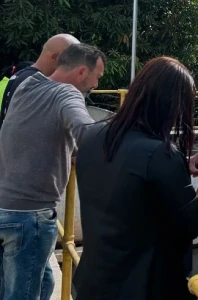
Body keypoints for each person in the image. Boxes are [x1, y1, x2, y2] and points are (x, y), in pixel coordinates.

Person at [72, 56, 198, 300]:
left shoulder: (93, 135)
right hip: (141, 289)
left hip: (93, 282)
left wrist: (179, 169)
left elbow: (126, 181)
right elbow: (194, 222)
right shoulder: (159, 154)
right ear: (171, 104)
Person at [0, 43, 102, 300]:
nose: (96, 86)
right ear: (81, 72)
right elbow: (89, 134)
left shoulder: (27, 84)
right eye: (97, 77)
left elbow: (38, 131)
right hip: (30, 215)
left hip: (6, 206)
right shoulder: (67, 94)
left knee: (44, 282)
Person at [0, 34, 80, 131]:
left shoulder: (22, 75)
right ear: (55, 57)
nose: (74, 67)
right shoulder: (35, 82)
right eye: (72, 61)